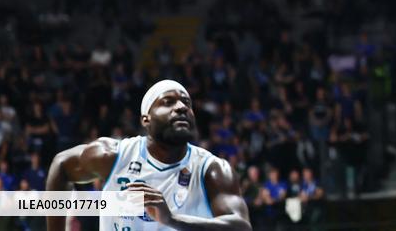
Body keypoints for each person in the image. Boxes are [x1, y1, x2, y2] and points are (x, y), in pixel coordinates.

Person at [46, 79, 252, 231]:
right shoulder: (113, 156)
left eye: (186, 103)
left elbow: (241, 227)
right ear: (146, 119)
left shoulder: (212, 169)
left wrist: (172, 219)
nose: (181, 107)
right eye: (168, 102)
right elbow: (61, 164)